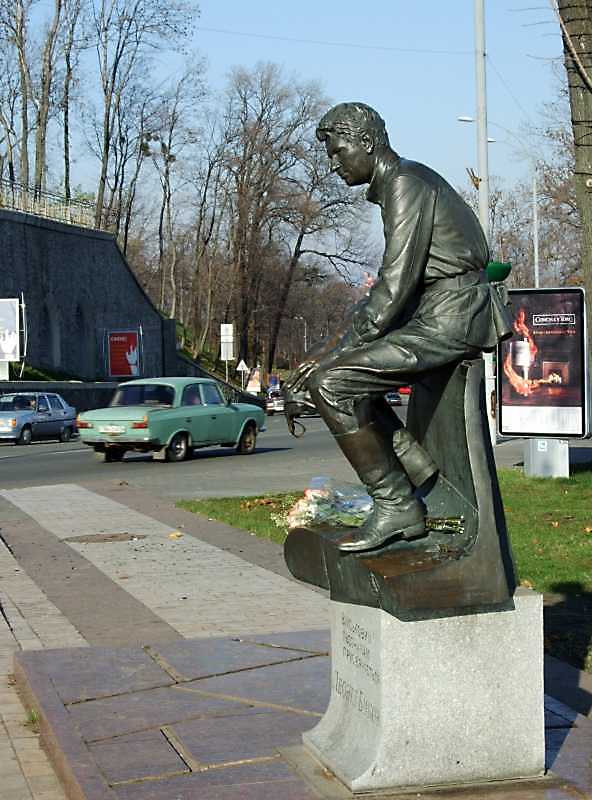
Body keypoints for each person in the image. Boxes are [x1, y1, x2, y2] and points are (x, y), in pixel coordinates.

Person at [284, 102, 512, 553]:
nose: (333, 164)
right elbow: (391, 292)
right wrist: (326, 354)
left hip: (452, 317)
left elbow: (393, 287)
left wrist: (327, 361)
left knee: (331, 383)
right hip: (436, 312)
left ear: (367, 142)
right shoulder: (400, 183)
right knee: (336, 378)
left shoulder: (406, 183)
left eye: (338, 151)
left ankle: (396, 504)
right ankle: (415, 467)